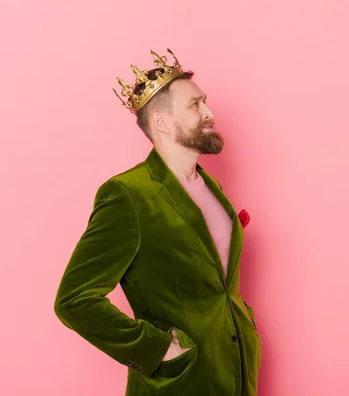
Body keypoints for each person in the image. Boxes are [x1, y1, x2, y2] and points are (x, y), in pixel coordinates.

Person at [54, 48, 261, 396]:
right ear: (162, 122)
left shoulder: (212, 188)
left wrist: (246, 327)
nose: (209, 112)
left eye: (205, 102)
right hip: (178, 383)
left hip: (237, 375)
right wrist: (156, 349)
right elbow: (73, 299)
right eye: (195, 105)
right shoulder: (127, 195)